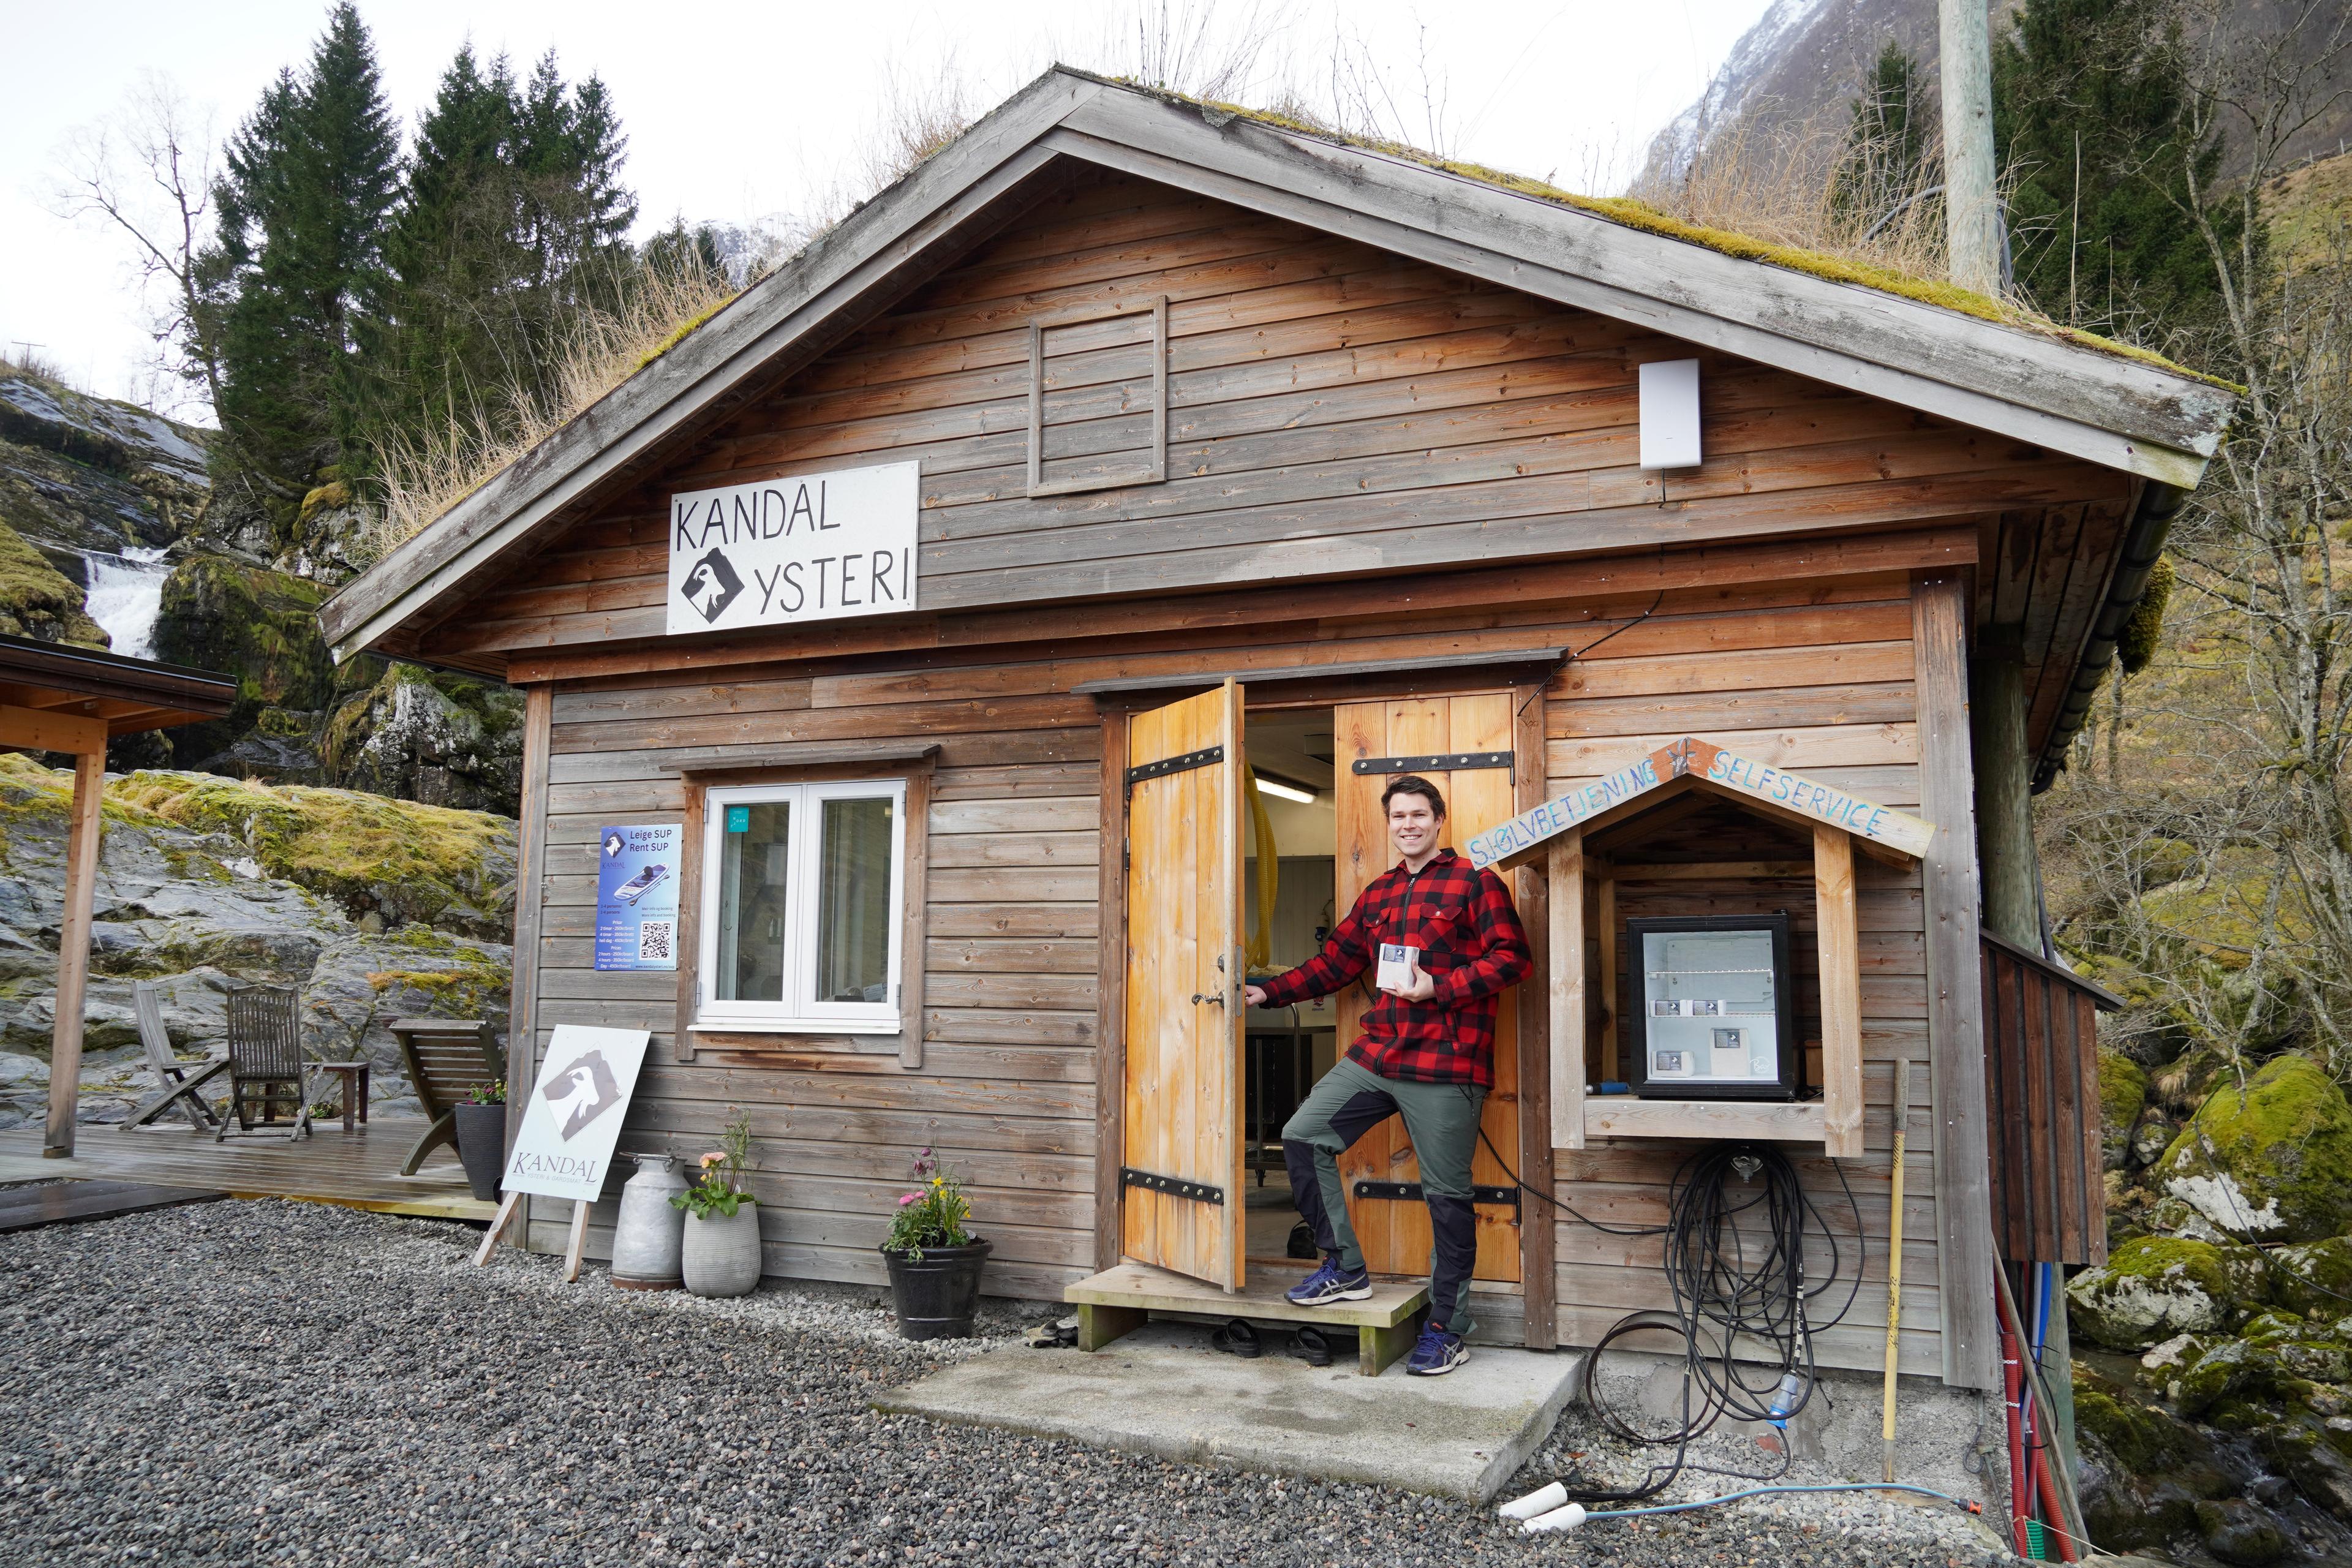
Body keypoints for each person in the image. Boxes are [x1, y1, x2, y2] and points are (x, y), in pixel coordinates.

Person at [1243, 774, 1531, 1376]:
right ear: (1390, 822)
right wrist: (1266, 992)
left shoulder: (1476, 883)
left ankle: (1448, 1328)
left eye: (1418, 814)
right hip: (1378, 1057)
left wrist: (1441, 986)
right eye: (1398, 815)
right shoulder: (1378, 894)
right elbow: (1334, 964)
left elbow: (1513, 958)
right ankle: (1344, 1266)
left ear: (1438, 819)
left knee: (1448, 1199)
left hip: (1448, 1065)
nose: (1408, 824)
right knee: (1302, 1134)